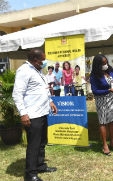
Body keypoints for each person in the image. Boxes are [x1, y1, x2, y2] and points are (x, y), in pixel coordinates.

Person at [12, 48, 58, 181]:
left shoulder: (38, 71)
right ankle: (30, 174)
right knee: (34, 144)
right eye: (42, 60)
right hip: (32, 114)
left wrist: (50, 101)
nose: (44, 62)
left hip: (42, 112)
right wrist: (23, 114)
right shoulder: (24, 71)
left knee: (42, 141)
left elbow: (43, 89)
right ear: (34, 60)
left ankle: (40, 165)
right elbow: (17, 94)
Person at [90, 54, 113, 155]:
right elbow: (95, 91)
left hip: (112, 99)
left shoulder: (110, 70)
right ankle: (105, 144)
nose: (105, 64)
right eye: (103, 63)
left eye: (106, 62)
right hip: (102, 101)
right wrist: (108, 90)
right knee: (103, 122)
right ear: (98, 65)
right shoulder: (94, 75)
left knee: (112, 121)